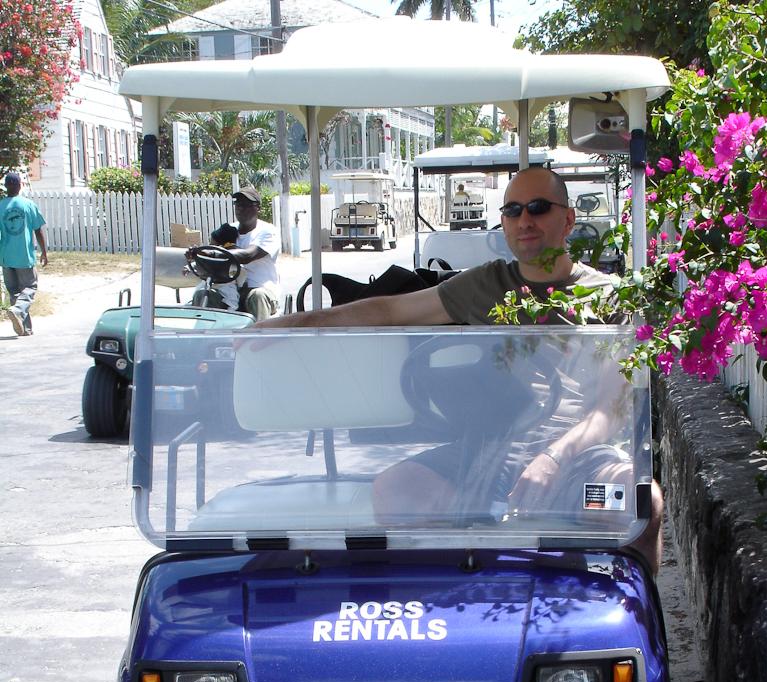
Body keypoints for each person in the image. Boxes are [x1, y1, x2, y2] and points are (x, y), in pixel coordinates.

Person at [253, 166, 663, 571]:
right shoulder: (485, 285)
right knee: (397, 491)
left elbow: (610, 409)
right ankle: (446, 609)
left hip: (577, 461)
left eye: (538, 207)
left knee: (641, 501)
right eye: (513, 210)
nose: (525, 220)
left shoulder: (611, 299)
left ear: (568, 219)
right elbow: (391, 309)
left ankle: (638, 616)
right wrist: (289, 324)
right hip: (491, 451)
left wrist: (554, 458)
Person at [187, 186, 281, 319]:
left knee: (257, 296)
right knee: (203, 294)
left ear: (258, 208)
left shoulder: (268, 231)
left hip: (259, 289)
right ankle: (206, 338)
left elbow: (248, 255)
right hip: (229, 289)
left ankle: (260, 338)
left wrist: (215, 254)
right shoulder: (228, 230)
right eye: (238, 204)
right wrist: (198, 255)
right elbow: (212, 254)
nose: (241, 208)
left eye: (247, 205)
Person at [0, 172, 48, 337]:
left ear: (6, 186)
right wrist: (44, 252)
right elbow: (38, 230)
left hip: (6, 256)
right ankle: (17, 310)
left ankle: (25, 329)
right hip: (24, 256)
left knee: (14, 291)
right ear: (20, 185)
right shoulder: (28, 204)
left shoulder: (0, 206)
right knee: (30, 287)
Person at [187, 222, 242, 311]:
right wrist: (191, 264)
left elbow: (239, 274)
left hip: (225, 289)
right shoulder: (209, 256)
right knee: (200, 293)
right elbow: (201, 262)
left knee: (225, 301)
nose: (210, 244)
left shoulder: (231, 258)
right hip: (207, 284)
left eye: (212, 243)